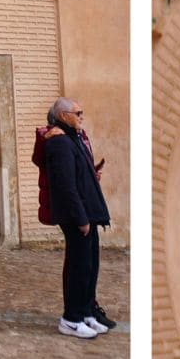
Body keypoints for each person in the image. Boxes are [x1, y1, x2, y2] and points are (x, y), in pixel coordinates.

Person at [42, 97, 113, 338]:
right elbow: (66, 186)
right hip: (76, 214)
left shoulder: (75, 138)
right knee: (78, 266)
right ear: (63, 116)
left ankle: (85, 313)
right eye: (77, 113)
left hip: (87, 211)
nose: (81, 117)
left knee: (89, 265)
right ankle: (71, 318)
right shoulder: (60, 142)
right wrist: (80, 218)